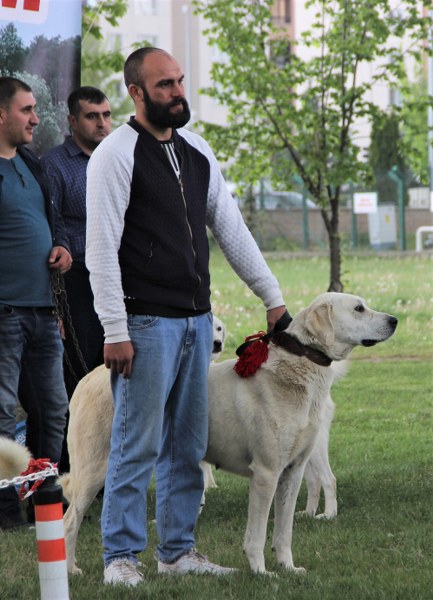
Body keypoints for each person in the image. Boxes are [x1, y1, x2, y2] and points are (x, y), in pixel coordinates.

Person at [85, 47, 287, 587]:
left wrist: (271, 294)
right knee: (137, 443)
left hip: (199, 322)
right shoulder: (115, 154)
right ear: (136, 92)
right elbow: (100, 250)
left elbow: (230, 227)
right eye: (165, 85)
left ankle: (177, 553)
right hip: (144, 324)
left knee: (187, 446)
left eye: (179, 81)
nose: (178, 92)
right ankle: (120, 559)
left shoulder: (198, 150)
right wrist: (114, 329)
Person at [0, 77, 71, 530]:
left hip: (44, 312)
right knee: (3, 412)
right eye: (26, 109)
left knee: (53, 407)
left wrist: (62, 246)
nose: (35, 117)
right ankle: (4, 505)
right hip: (4, 312)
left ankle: (44, 494)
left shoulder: (32, 162)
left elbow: (55, 220)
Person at [41, 86, 112, 473]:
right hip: (78, 281)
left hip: (120, 280)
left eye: (106, 115)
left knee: (115, 376)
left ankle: (108, 474)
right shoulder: (54, 164)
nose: (101, 123)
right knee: (81, 380)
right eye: (91, 116)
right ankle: (74, 474)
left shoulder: (119, 157)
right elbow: (55, 226)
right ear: (72, 121)